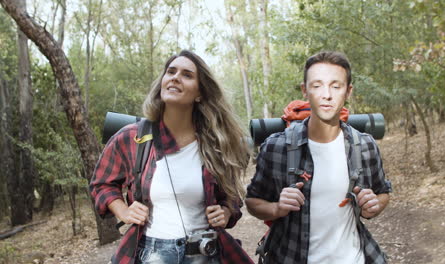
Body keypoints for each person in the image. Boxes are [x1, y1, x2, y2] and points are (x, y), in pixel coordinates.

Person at [90, 50, 253, 264]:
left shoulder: (216, 143)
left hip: (205, 253)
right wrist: (123, 210)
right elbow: (101, 184)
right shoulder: (133, 137)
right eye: (171, 71)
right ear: (162, 82)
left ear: (200, 93)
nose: (175, 77)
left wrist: (225, 211)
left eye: (187, 74)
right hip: (153, 253)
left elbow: (232, 196)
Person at [245, 51, 392, 264]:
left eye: (336, 86)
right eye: (317, 85)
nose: (327, 94)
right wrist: (277, 208)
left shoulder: (365, 145)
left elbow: (383, 192)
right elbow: (252, 201)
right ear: (305, 90)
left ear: (348, 91)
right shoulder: (277, 147)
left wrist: (373, 205)